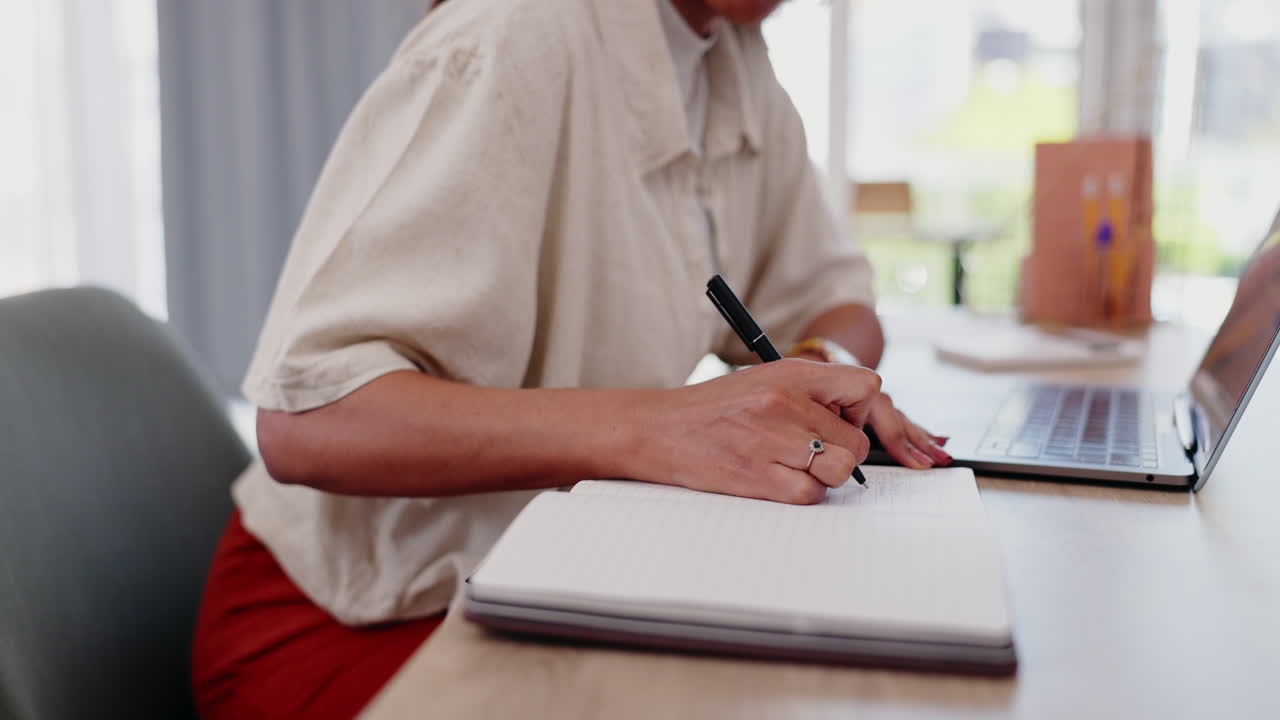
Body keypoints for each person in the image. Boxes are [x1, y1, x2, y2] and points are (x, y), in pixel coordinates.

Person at [191, 0, 952, 717]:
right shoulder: (510, 34)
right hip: (359, 609)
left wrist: (819, 371)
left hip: (544, 574)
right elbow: (308, 422)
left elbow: (835, 295)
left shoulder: (732, 55)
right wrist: (656, 430)